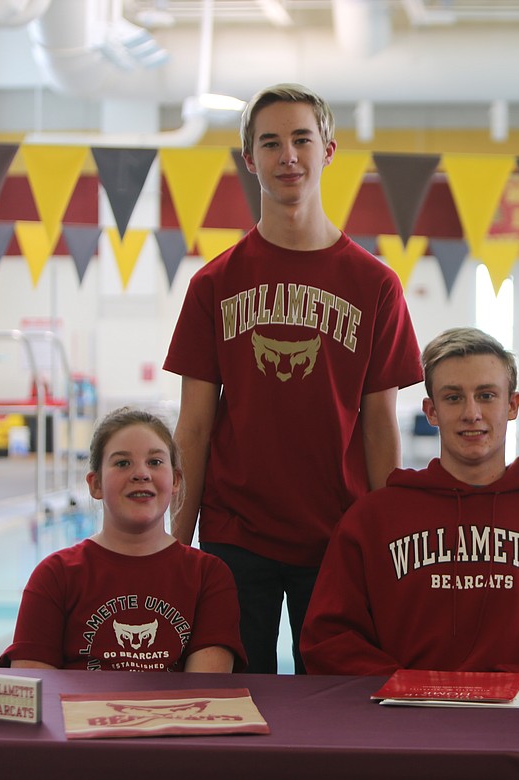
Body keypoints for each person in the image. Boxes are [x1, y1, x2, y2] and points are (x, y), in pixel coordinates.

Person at [164, 83, 423, 674]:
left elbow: (381, 429)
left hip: (339, 534)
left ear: (328, 150)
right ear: (249, 159)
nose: (288, 156)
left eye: (302, 140)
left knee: (334, 712)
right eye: (271, 143)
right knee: (231, 711)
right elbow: (195, 427)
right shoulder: (214, 285)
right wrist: (176, 546)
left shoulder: (376, 285)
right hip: (234, 534)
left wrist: (386, 541)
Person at [300, 328, 519, 678]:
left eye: (486, 395)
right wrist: (407, 687)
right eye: (453, 398)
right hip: (398, 723)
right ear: (431, 412)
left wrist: (511, 689)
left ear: (512, 406)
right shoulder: (372, 520)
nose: (471, 413)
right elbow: (329, 639)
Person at [0, 408, 245, 672]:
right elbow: (35, 692)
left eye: (155, 462)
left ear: (175, 480)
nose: (141, 474)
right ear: (96, 485)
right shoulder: (55, 576)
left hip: (175, 715)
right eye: (122, 463)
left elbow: (206, 695)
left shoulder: (208, 577)